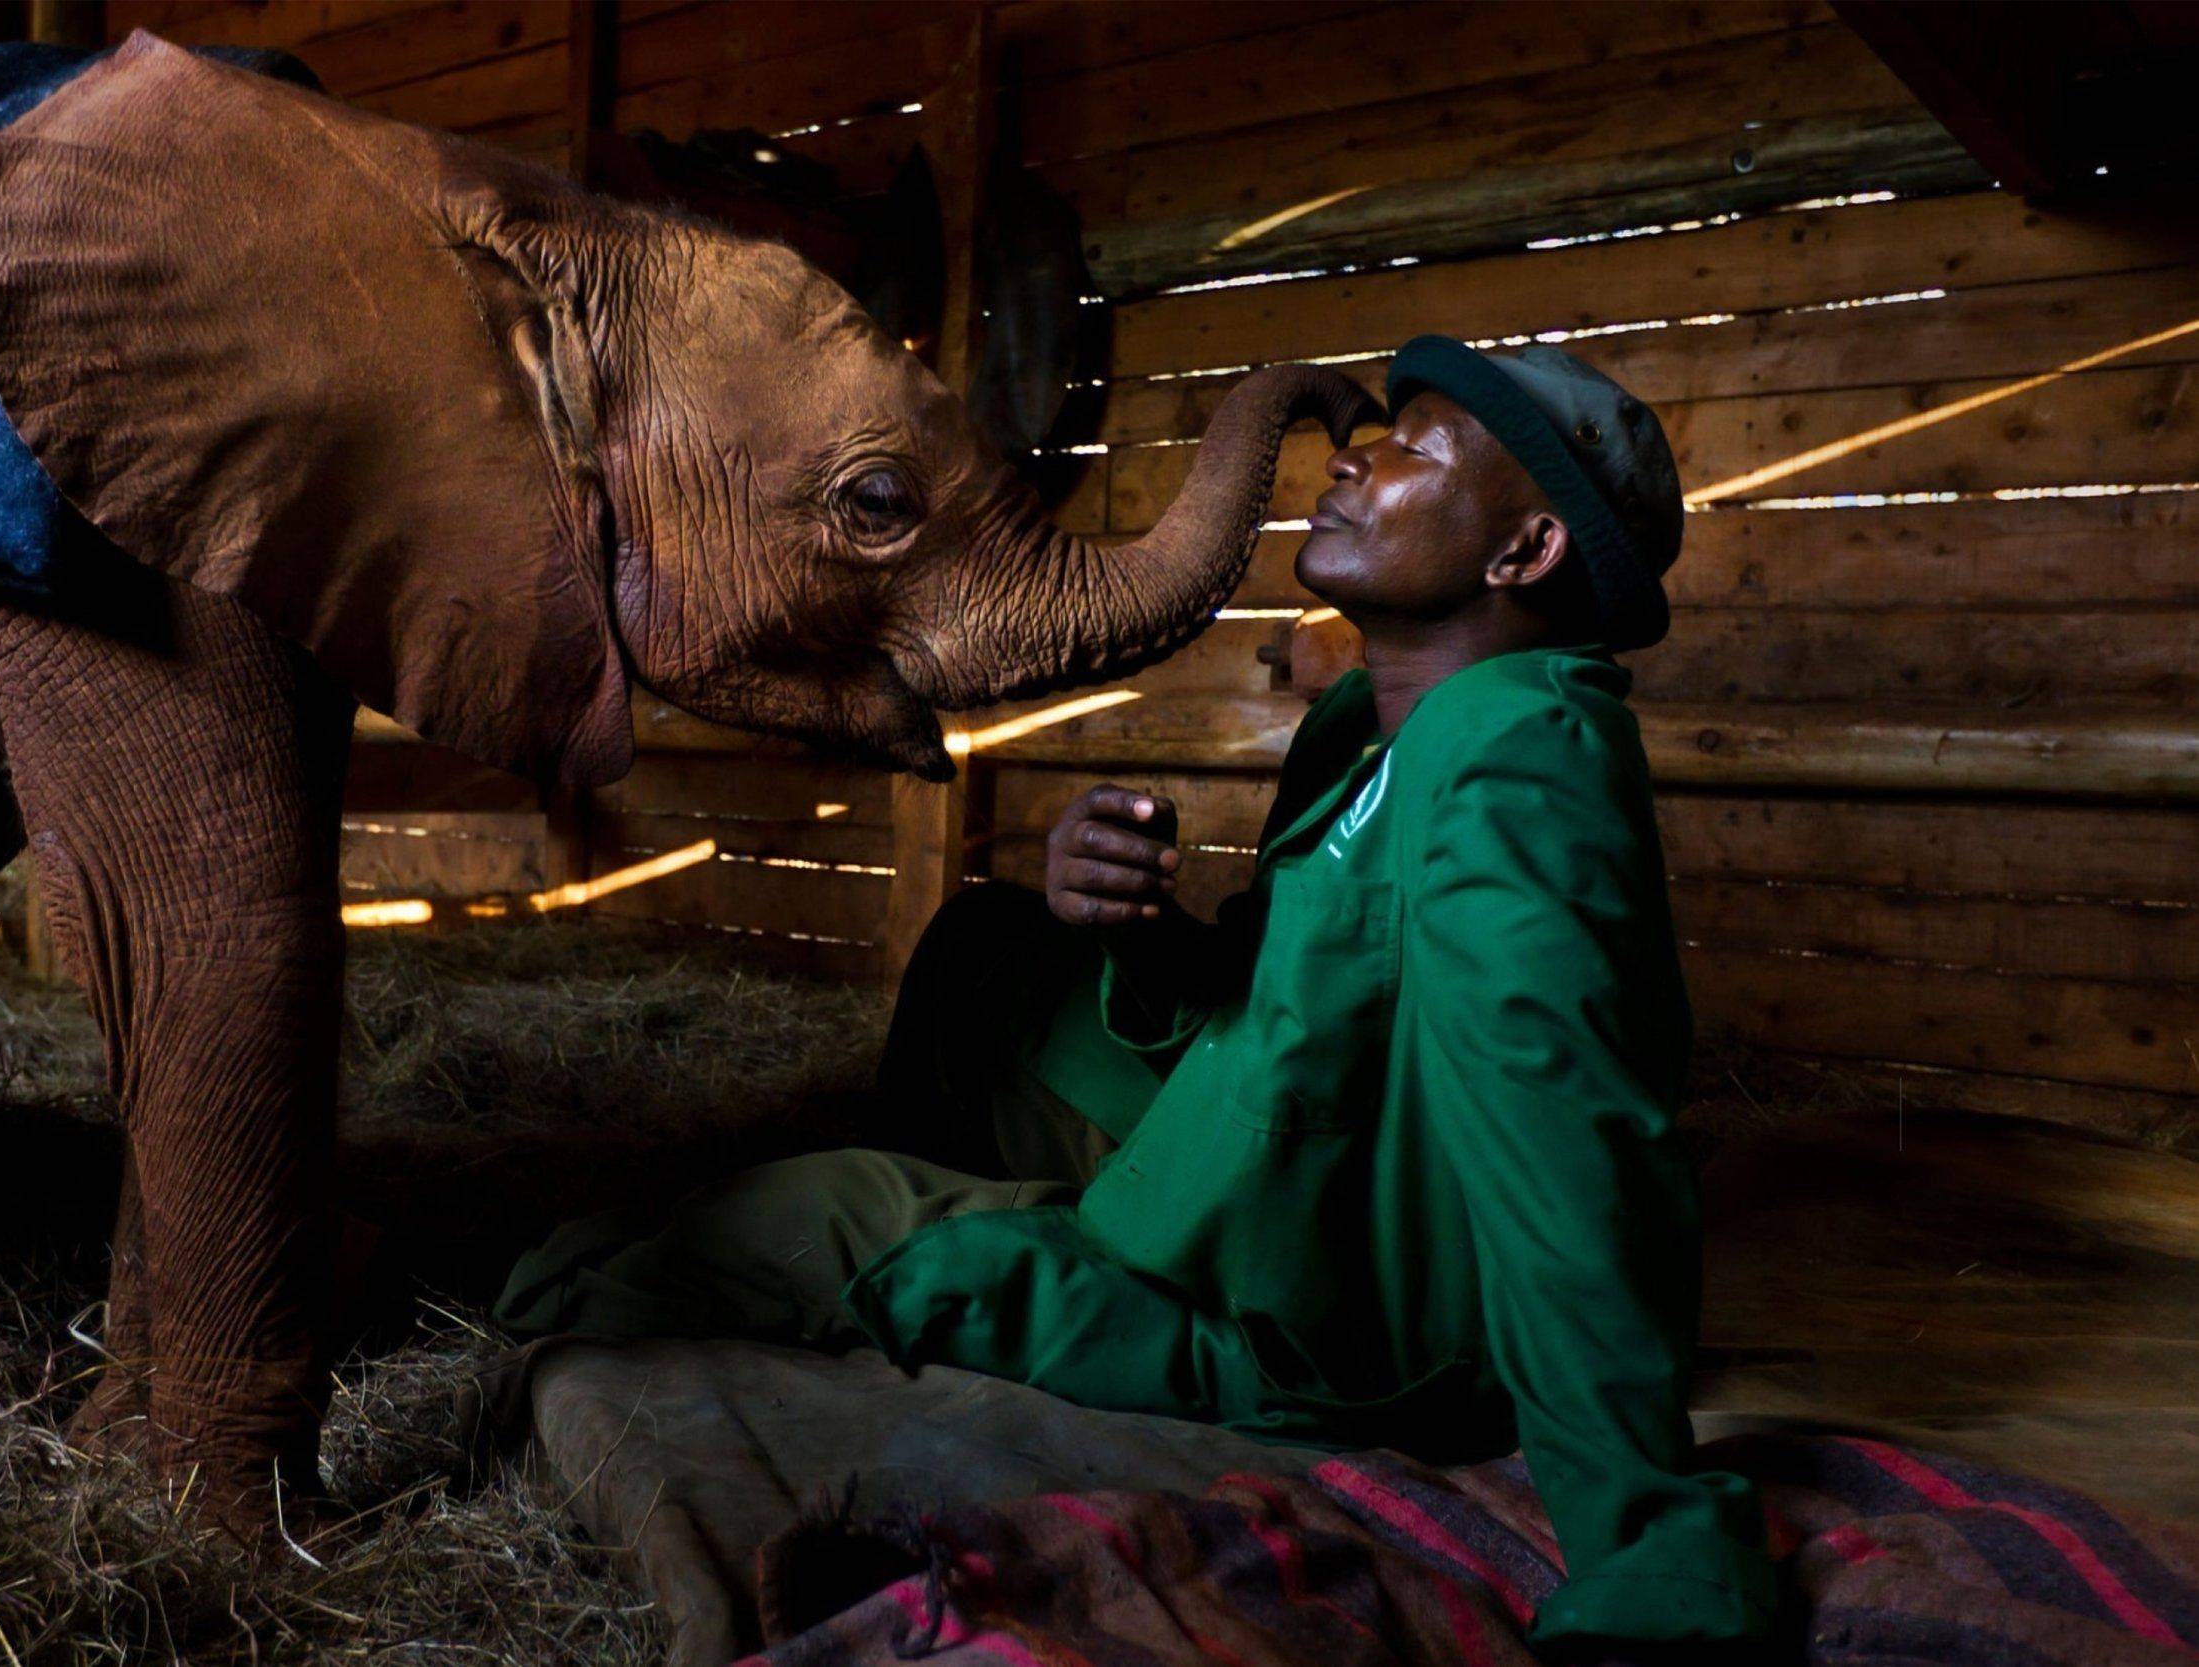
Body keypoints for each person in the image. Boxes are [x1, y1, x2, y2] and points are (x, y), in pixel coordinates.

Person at [495, 336, 1778, 1658]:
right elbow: (1313, 998)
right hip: (1270, 1175)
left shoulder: (1522, 766)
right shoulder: (1376, 730)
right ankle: (988, 1186)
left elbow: (1562, 1140)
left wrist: (1644, 1534)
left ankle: (901, 1262)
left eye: (1415, 448)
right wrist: (1144, 932)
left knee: (766, 1236)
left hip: (1328, 1328)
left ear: (1524, 555)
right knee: (985, 949)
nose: (1355, 455)